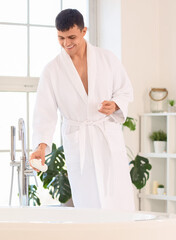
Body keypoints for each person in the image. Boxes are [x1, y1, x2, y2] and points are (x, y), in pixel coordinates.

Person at [31, 9, 135, 210]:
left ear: (84, 30)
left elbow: (125, 90)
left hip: (106, 135)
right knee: (87, 200)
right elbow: (45, 111)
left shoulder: (107, 58)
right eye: (61, 38)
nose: (66, 43)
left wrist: (115, 105)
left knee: (117, 195)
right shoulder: (52, 70)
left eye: (71, 37)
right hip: (78, 140)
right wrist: (41, 145)